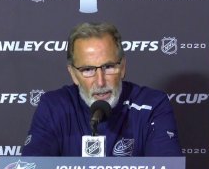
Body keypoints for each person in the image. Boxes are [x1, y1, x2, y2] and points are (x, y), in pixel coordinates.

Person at [22, 22, 182, 156]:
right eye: (88, 70)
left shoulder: (152, 105)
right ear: (73, 74)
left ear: (123, 67)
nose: (100, 81)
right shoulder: (53, 107)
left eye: (109, 66)